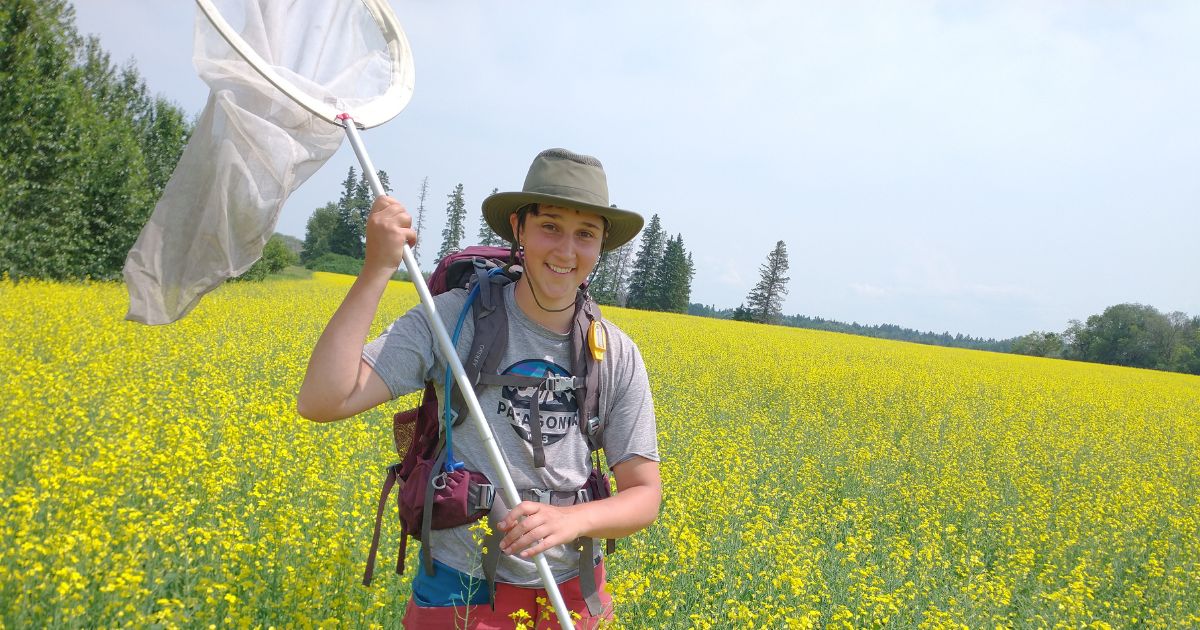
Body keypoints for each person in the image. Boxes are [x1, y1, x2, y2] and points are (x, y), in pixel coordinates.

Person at [297, 148, 662, 628]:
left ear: (600, 246)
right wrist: (375, 270)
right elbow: (323, 400)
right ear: (519, 227)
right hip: (459, 587)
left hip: (571, 591)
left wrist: (570, 522)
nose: (566, 250)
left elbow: (644, 494)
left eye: (585, 235)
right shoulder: (450, 318)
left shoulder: (614, 352)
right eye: (550, 226)